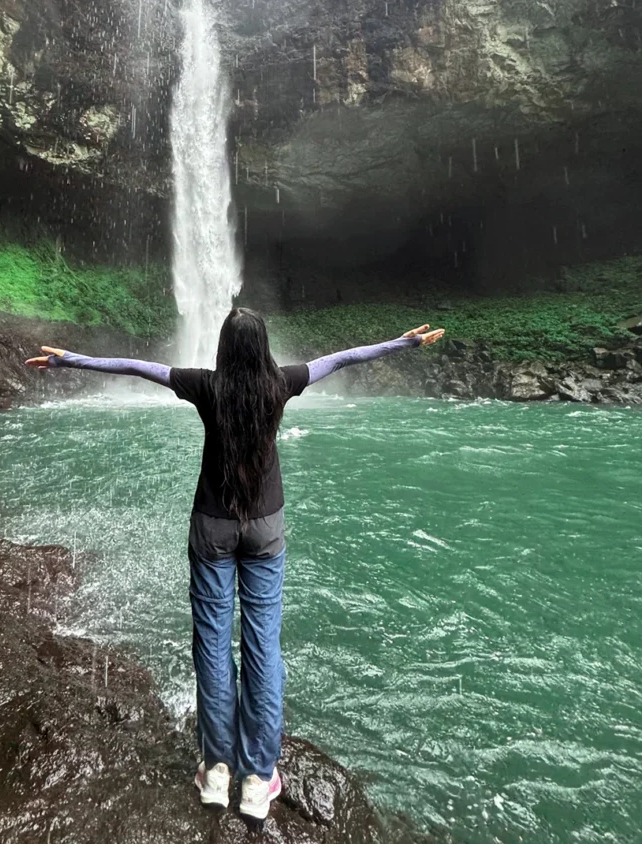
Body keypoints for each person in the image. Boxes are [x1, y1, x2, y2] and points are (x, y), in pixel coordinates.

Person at [26, 309, 444, 821]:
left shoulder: (205, 386)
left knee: (212, 641)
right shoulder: (282, 384)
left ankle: (216, 770)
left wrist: (71, 360)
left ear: (223, 346)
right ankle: (258, 779)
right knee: (263, 646)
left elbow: (137, 367)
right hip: (266, 527)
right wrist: (403, 343)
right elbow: (345, 358)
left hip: (213, 525)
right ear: (264, 346)